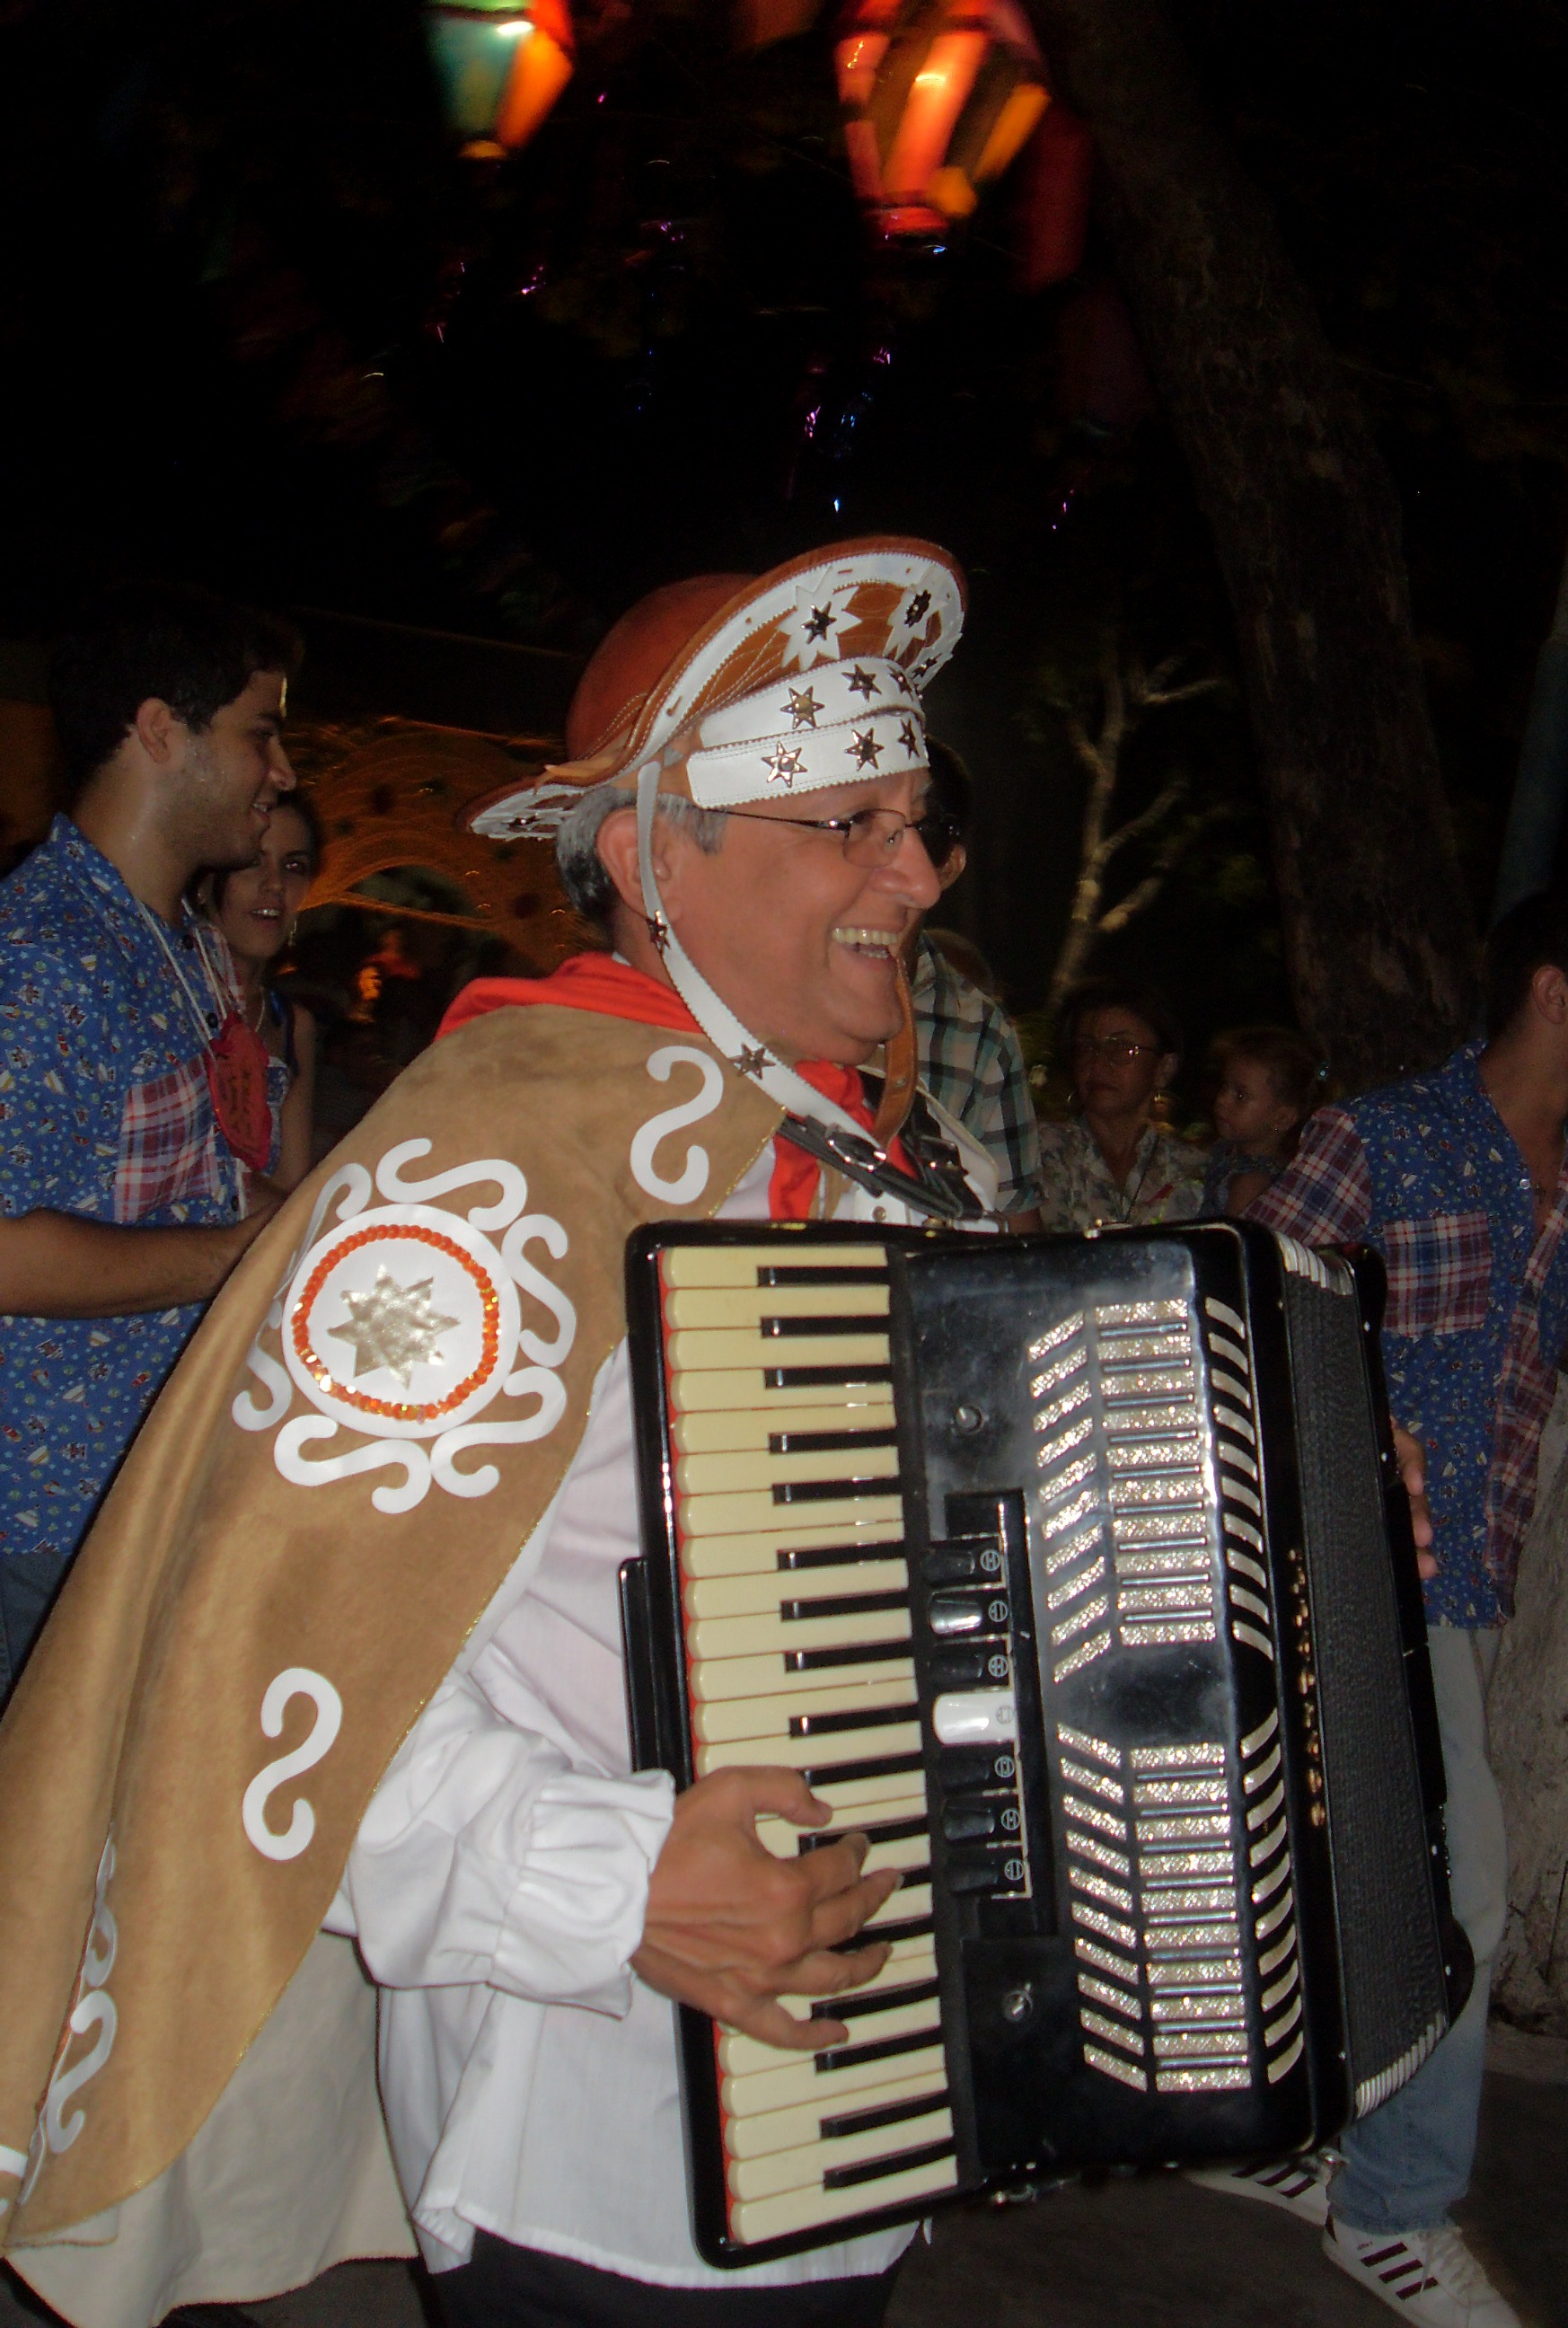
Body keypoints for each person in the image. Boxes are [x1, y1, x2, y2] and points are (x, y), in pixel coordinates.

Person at [0, 539, 1001, 2328]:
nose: (915, 873)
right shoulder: (480, 1183)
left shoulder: (875, 1160)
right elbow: (269, 1666)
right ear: (650, 859)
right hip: (600, 2138)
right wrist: (616, 1882)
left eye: (917, 817)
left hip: (869, 2115)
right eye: (846, 823)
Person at [1193, 892, 1568, 2328]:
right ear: (1552, 996)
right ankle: (1392, 2209)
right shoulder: (1378, 1137)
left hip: (1467, 1588)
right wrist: (1354, 1418)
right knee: (1464, 1895)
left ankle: (1310, 2135)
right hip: (1353, 1574)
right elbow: (1239, 1304)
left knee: (1358, 1881)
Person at [0, 581, 298, 1698]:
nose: (283, 772)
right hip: (38, 1520)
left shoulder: (179, 947)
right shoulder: (41, 955)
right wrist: (242, 1257)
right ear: (160, 727)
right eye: (259, 733)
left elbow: (218, 1181)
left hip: (135, 1496)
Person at [908, 740, 1043, 1228]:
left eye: (912, 833)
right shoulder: (766, 989)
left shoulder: (979, 1030)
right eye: (852, 824)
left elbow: (1016, 1228)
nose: (878, 868)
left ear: (946, 867)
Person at [200, 792, 322, 1191]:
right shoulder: (170, 994)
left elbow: (291, 1189)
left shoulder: (290, 1024)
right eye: (253, 861)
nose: (275, 885)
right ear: (205, 881)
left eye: (294, 866)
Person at [1036, 975, 1202, 1229]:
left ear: (1164, 1069)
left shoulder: (1191, 1169)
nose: (1098, 1063)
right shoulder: (1040, 1150)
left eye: (1122, 1048)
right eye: (1086, 1047)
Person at [1197, 1023, 1325, 1218]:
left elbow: (1235, 1243)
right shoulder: (1229, 1152)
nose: (1222, 1100)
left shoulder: (1251, 1184)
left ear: (1282, 1118)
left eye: (1241, 1096)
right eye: (1224, 1087)